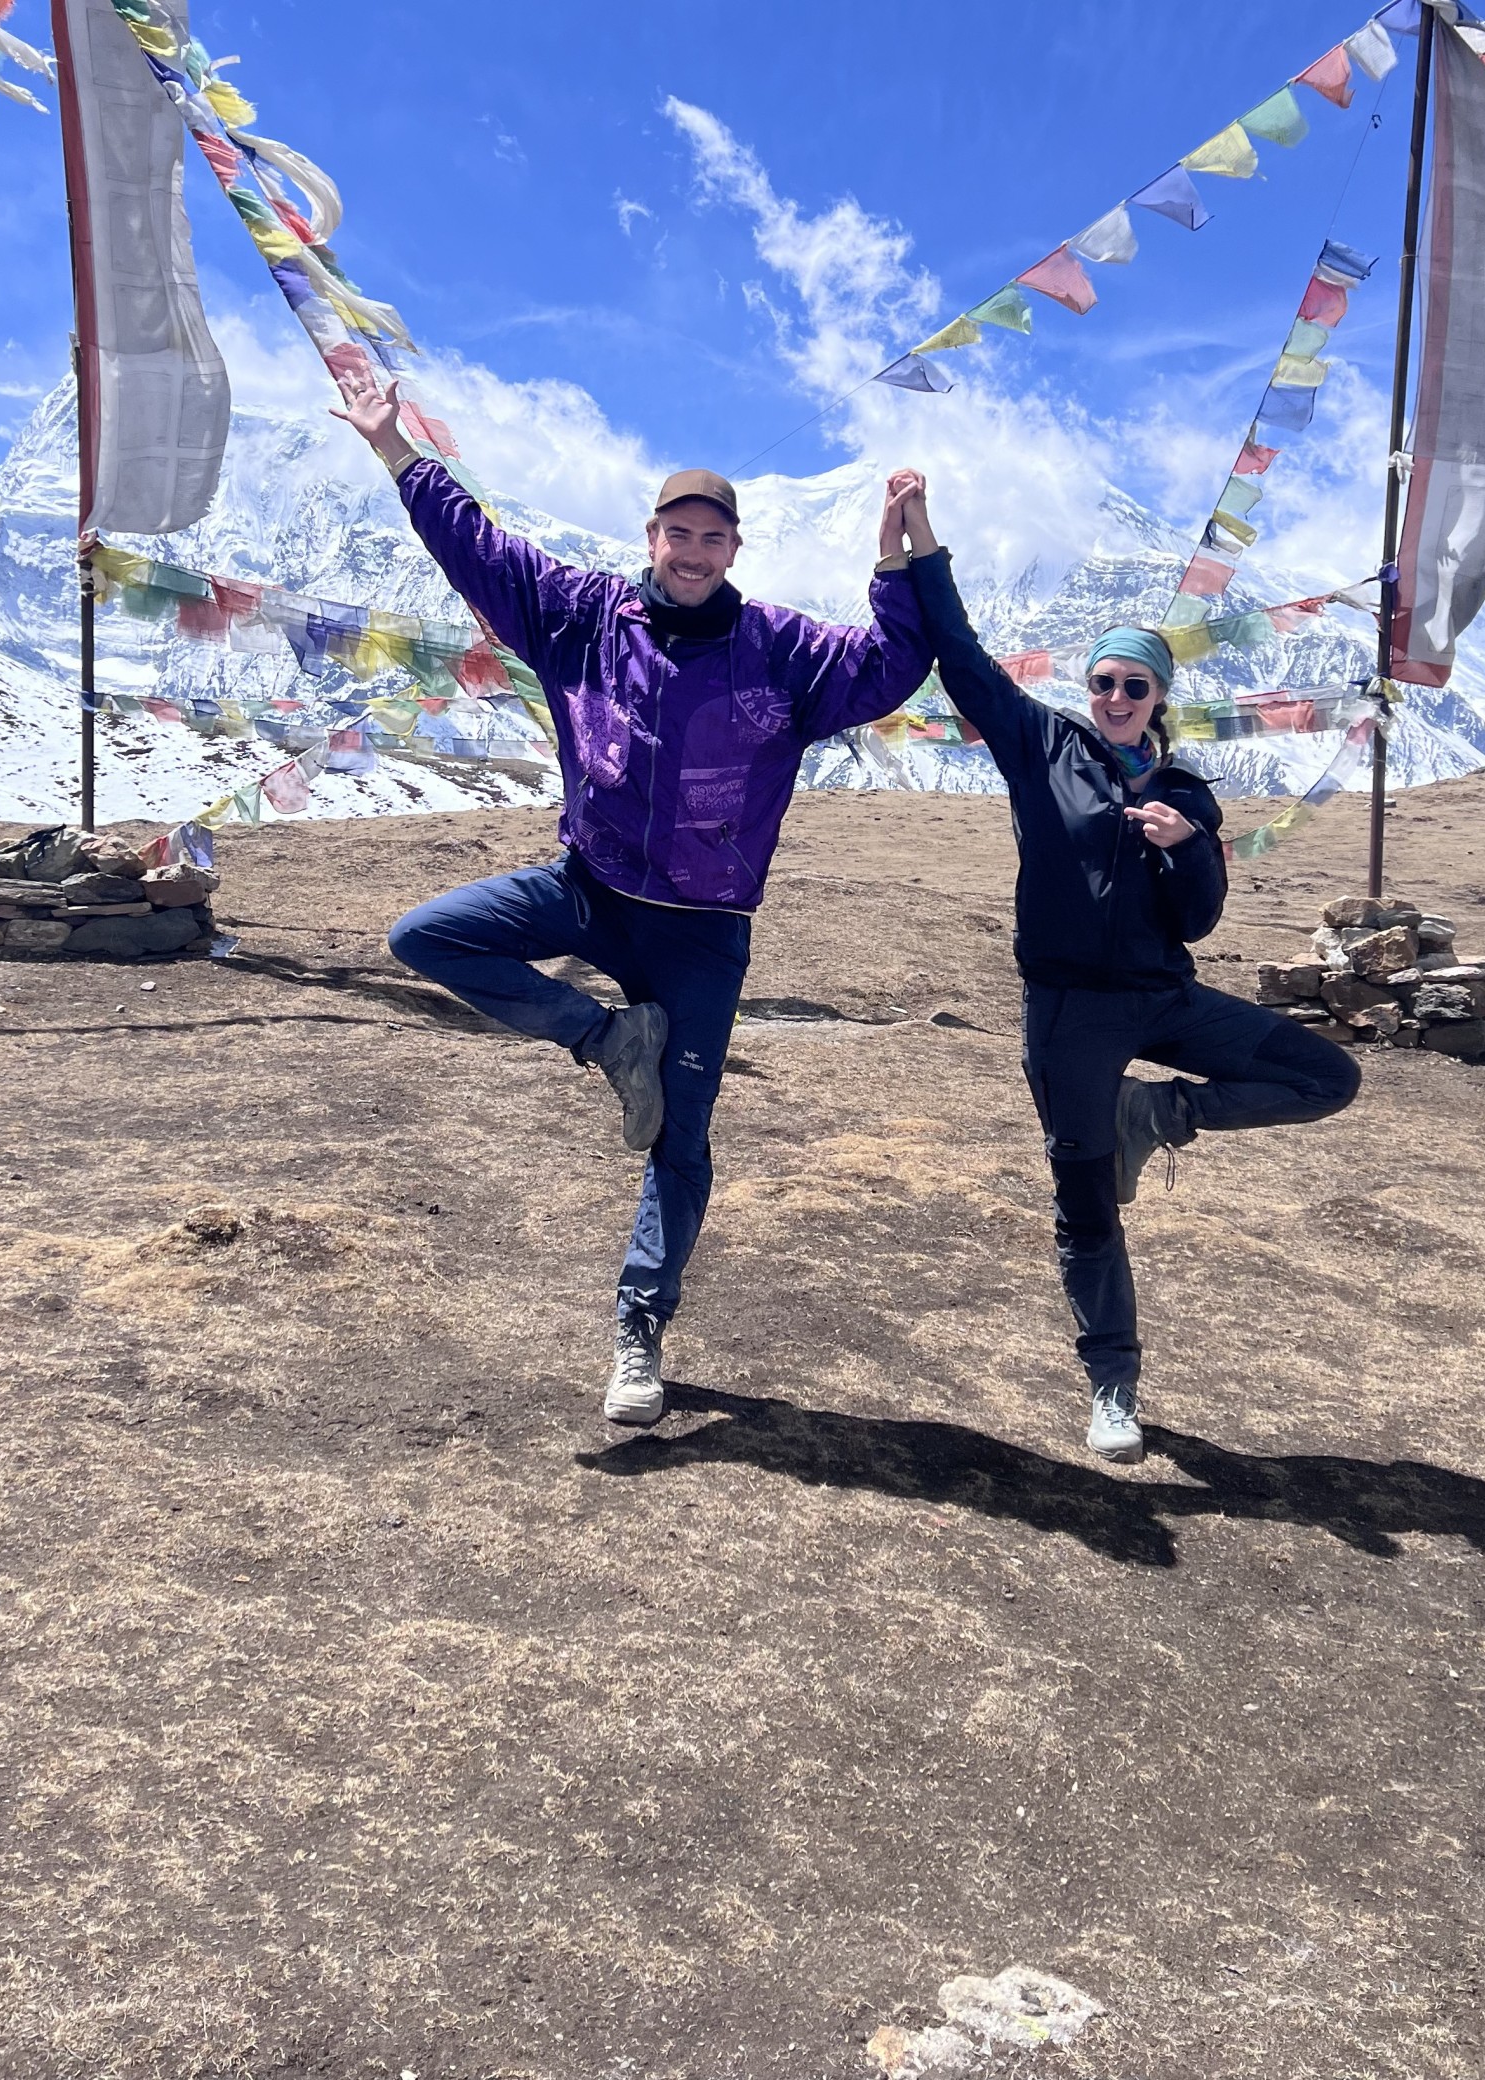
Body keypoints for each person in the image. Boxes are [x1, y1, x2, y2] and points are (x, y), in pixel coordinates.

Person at [331, 362, 932, 1426]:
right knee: (425, 937)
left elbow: (890, 670)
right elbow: (479, 546)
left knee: (681, 1139)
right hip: (589, 887)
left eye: (713, 538)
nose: (693, 554)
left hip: (703, 933)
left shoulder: (782, 650)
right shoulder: (582, 617)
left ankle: (638, 1327)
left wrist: (899, 563)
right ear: (651, 537)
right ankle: (606, 1040)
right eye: (677, 534)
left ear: (734, 550)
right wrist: (394, 449)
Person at [894, 481, 1359, 1467]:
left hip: (1163, 996)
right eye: (1103, 681)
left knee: (1328, 1077)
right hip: (1068, 1013)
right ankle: (1113, 1380)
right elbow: (964, 661)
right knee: (1084, 1203)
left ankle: (1155, 1117)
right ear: (1087, 687)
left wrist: (1189, 844)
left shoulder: (1189, 793)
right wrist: (918, 539)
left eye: (1133, 687)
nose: (1114, 698)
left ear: (1157, 700)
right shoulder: (1041, 746)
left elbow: (1198, 917)